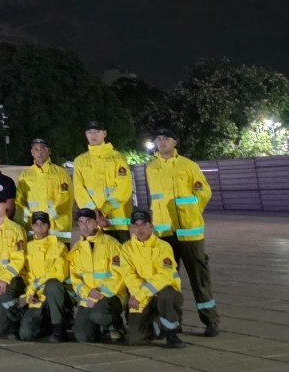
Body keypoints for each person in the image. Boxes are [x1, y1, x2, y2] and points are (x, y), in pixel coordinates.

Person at [146, 128, 219, 337]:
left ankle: (210, 320)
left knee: (200, 279)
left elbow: (204, 192)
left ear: (175, 141)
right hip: (164, 233)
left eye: (166, 138)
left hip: (190, 231)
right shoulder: (151, 168)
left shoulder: (188, 165)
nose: (162, 142)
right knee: (168, 279)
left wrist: (191, 209)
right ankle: (173, 322)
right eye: (158, 139)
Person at [121, 209, 185, 348]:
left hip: (165, 292)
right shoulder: (126, 248)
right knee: (134, 340)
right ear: (131, 228)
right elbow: (128, 275)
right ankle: (154, 320)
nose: (140, 228)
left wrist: (140, 294)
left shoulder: (163, 246)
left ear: (151, 226)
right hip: (141, 297)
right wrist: (140, 295)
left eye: (144, 224)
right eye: (136, 225)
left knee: (166, 296)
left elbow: (165, 275)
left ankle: (171, 334)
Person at [69, 208, 127, 343]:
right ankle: (100, 328)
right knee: (82, 336)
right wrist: (87, 292)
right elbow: (75, 278)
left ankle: (115, 325)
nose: (85, 225)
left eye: (88, 221)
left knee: (99, 314)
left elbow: (119, 275)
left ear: (96, 222)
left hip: (111, 295)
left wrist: (98, 295)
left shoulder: (112, 244)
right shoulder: (76, 249)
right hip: (88, 297)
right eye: (81, 222)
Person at [73, 121, 133, 243]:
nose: (93, 135)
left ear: (104, 133)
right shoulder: (80, 161)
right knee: (97, 259)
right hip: (93, 224)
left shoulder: (118, 157)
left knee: (121, 260)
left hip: (118, 222)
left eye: (97, 132)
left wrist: (103, 210)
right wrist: (94, 214)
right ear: (86, 135)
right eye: (90, 132)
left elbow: (124, 187)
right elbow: (79, 190)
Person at [19, 212, 70, 343]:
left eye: (43, 224)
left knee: (52, 285)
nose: (39, 227)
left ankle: (59, 329)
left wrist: (37, 284)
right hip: (37, 297)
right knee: (25, 334)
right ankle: (45, 325)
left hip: (54, 295)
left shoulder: (58, 246)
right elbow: (25, 274)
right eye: (36, 224)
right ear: (32, 227)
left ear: (49, 226)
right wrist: (30, 293)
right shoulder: (27, 248)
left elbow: (60, 273)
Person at [0, 192, 27, 339]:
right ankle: (10, 313)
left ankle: (17, 318)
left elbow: (19, 258)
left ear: (5, 206)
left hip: (13, 278)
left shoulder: (16, 230)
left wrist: (5, 278)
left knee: (6, 296)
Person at [15, 138, 73, 243]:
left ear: (49, 151)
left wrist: (48, 218)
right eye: (36, 149)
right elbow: (19, 200)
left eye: (43, 148)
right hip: (34, 228)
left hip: (56, 228)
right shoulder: (25, 175)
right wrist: (30, 217)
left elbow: (66, 198)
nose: (40, 151)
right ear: (32, 152)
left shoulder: (60, 173)